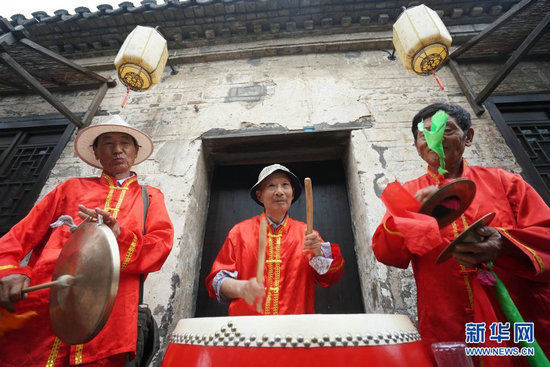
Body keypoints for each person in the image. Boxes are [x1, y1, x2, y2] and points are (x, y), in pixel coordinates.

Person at [372, 103, 550, 367]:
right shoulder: (407, 194)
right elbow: (386, 253)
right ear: (417, 146)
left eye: (447, 129)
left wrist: (503, 243)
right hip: (447, 314)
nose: (435, 137)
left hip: (511, 310)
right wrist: (411, 217)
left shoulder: (505, 182)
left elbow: (544, 234)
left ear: (468, 137)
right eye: (425, 133)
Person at [0, 115, 174, 366]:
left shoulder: (151, 197)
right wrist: (9, 271)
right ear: (96, 152)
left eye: (125, 142)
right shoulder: (69, 188)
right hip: (44, 307)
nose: (117, 149)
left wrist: (119, 236)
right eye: (107, 143)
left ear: (135, 151)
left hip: (109, 320)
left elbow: (160, 247)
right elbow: (16, 238)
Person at [206, 164, 344, 315]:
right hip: (248, 328)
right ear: (260, 195)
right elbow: (217, 281)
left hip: (295, 329)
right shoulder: (239, 232)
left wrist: (319, 254)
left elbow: (330, 278)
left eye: (285, 185)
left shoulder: (309, 235)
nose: (279, 192)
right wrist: (242, 288)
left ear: (292, 193)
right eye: (271, 186)